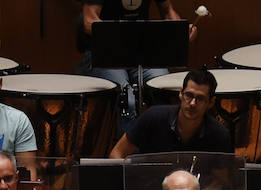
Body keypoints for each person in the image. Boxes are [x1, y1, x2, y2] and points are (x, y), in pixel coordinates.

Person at [77, 1, 194, 129]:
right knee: (127, 101)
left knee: (162, 90)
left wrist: (181, 32)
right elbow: (88, 22)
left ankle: (161, 147)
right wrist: (124, 37)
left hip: (141, 50)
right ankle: (127, 149)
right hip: (106, 52)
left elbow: (167, 11)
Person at [109, 69, 233, 158]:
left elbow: (221, 181)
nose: (192, 103)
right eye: (188, 95)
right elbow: (117, 153)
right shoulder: (153, 117)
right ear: (180, 93)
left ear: (211, 102)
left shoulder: (220, 135)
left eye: (200, 98)